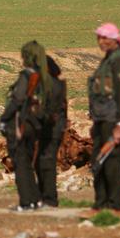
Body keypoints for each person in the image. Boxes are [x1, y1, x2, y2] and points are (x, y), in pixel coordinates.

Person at [85, 23, 120, 218]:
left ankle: (116, 207)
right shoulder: (108, 59)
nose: (101, 42)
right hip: (101, 118)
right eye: (99, 38)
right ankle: (100, 204)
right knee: (99, 159)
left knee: (113, 161)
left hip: (113, 118)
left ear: (114, 39)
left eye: (105, 38)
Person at [0, 41, 51, 211]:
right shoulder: (44, 77)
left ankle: (26, 202)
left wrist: (4, 118)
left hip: (20, 124)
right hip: (35, 125)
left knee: (20, 164)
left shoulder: (27, 76)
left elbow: (17, 99)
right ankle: (35, 199)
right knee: (28, 163)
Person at [34, 55, 67, 207]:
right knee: (40, 163)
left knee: (46, 163)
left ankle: (50, 199)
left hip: (52, 129)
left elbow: (50, 111)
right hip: (46, 129)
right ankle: (43, 197)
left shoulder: (53, 85)